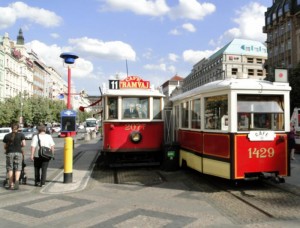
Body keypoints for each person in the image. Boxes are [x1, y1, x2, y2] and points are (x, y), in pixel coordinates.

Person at [3, 123, 26, 190]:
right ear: (18, 128)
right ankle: (16, 181)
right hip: (18, 152)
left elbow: (5, 146)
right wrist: (19, 146)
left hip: (9, 153)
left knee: (10, 168)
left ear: (11, 128)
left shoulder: (7, 136)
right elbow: (24, 144)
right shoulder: (21, 135)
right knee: (18, 168)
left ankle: (11, 184)